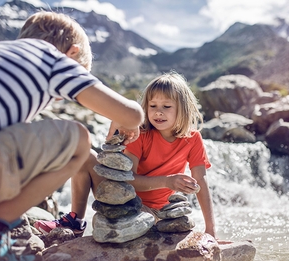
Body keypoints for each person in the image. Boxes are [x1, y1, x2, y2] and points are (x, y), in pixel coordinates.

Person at [0, 11, 143, 261]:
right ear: (72, 53)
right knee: (78, 140)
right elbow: (131, 115)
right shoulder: (53, 59)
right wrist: (126, 120)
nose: (57, 96)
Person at [35, 71, 220, 239]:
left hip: (161, 212)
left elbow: (201, 182)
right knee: (84, 155)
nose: (158, 112)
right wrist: (167, 181)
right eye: (153, 105)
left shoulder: (193, 138)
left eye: (167, 106)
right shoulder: (142, 134)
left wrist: (210, 229)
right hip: (125, 202)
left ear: (183, 108)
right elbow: (127, 180)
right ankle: (75, 221)